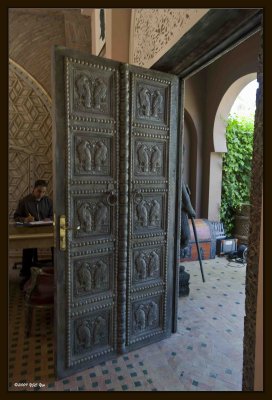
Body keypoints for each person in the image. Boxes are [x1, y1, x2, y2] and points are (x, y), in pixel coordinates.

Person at [14, 179, 53, 282]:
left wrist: (49, 219)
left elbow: (53, 215)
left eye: (44, 192)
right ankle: (26, 272)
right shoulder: (24, 201)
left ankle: (54, 268)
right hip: (30, 231)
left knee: (55, 242)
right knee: (29, 246)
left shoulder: (48, 201)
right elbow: (16, 217)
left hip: (45, 230)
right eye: (39, 191)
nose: (41, 194)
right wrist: (25, 219)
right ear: (34, 189)